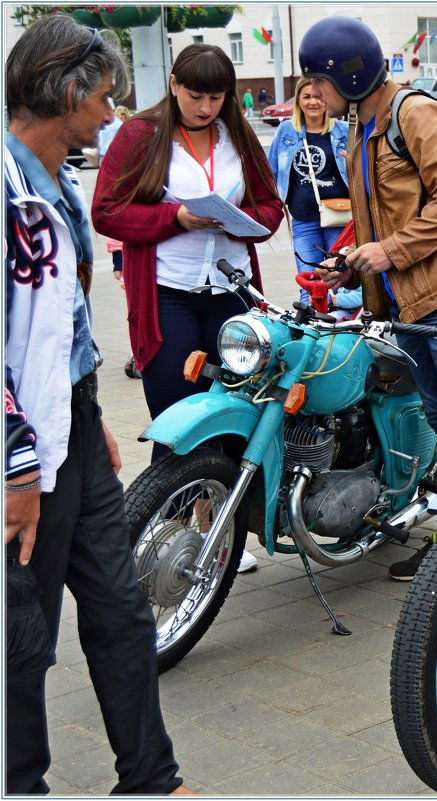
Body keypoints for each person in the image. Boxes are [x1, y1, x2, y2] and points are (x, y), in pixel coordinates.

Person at [4, 15, 194, 794]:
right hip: (20, 454)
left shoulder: (57, 180)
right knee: (23, 637)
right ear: (67, 92)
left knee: (122, 608)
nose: (112, 113)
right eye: (104, 97)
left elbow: (65, 326)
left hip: (73, 431)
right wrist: (16, 462)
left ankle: (151, 777)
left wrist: (89, 417)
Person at [298, 16, 437, 581]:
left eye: (318, 79)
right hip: (405, 299)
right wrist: (352, 264)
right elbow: (376, 218)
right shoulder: (357, 126)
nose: (311, 92)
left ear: (352, 72)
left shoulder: (414, 113)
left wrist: (389, 251)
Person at [91, 44, 284, 463]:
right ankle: (173, 521)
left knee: (238, 421)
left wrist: (241, 219)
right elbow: (107, 211)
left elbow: (271, 207)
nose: (205, 107)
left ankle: (222, 519)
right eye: (195, 95)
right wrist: (175, 217)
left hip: (232, 295)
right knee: (177, 422)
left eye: (216, 97)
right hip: (168, 295)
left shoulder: (239, 134)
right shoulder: (142, 133)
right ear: (174, 84)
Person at [267, 75, 350, 303]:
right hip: (304, 219)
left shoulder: (344, 130)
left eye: (318, 96)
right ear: (298, 101)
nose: (313, 102)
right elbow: (270, 171)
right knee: (309, 283)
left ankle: (338, 334)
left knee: (339, 282)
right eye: (307, 97)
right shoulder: (286, 131)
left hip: (340, 219)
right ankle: (310, 334)